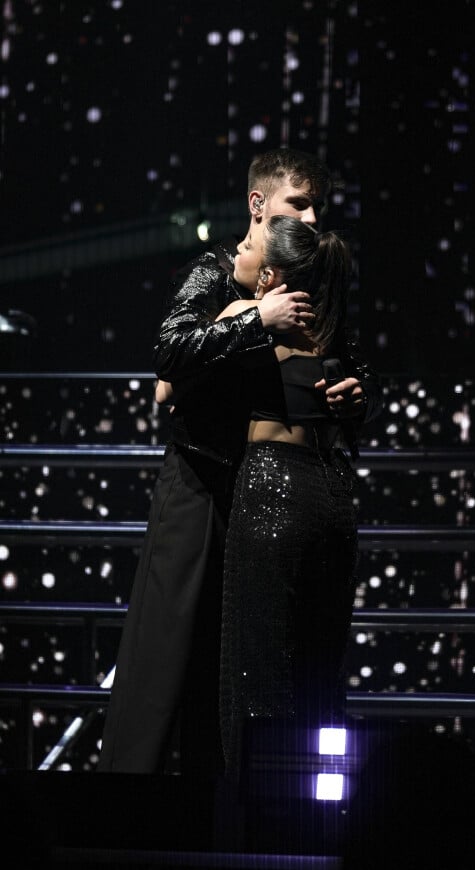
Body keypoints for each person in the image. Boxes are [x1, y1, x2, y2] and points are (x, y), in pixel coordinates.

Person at [97, 148, 383, 777]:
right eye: (298, 203)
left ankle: (221, 801)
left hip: (268, 493)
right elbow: (168, 362)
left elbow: (345, 371)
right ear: (259, 206)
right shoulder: (216, 273)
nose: (310, 217)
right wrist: (258, 317)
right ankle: (127, 802)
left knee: (241, 659)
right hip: (201, 486)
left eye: (317, 207)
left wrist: (353, 399)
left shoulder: (310, 281)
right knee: (167, 651)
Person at [208, 215, 378, 778]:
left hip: (271, 489)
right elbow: (353, 412)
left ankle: (256, 807)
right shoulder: (331, 335)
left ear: (271, 274)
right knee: (319, 665)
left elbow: (170, 380)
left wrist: (253, 314)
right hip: (332, 494)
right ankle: (322, 807)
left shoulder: (244, 318)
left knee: (257, 661)